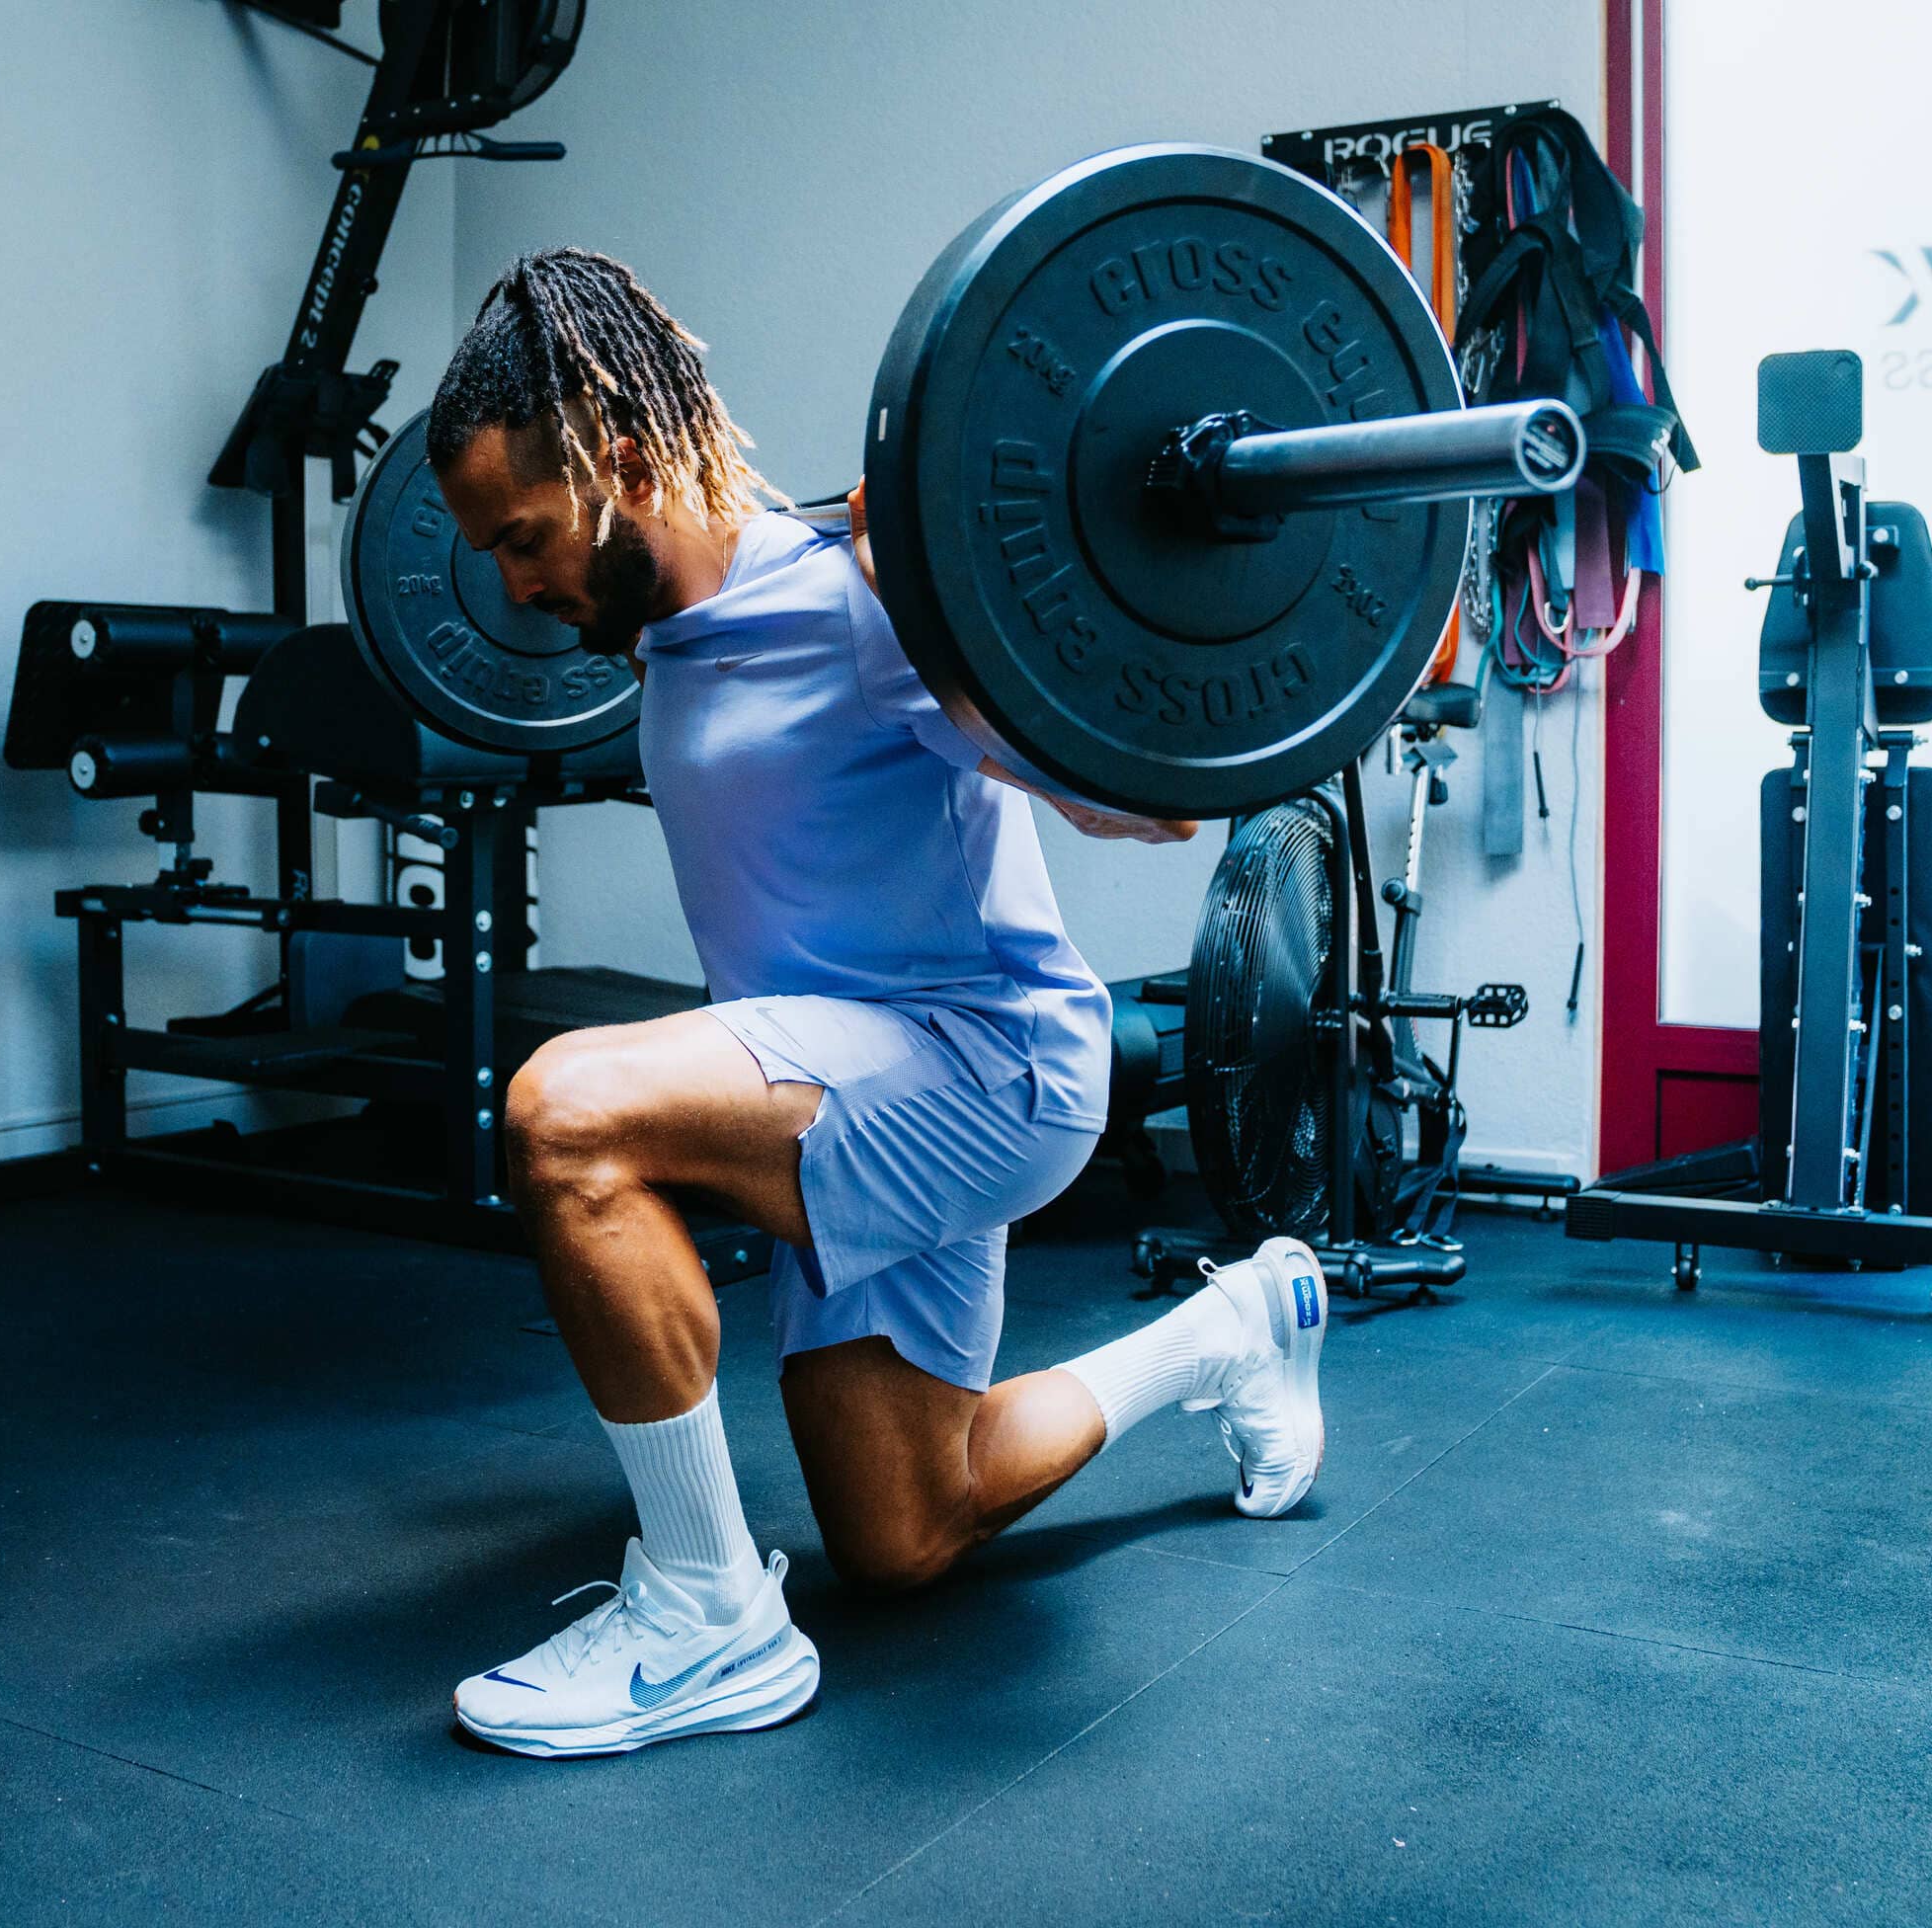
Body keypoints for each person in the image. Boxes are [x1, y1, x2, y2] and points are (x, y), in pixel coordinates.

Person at [426, 248, 1331, 1759]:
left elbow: (1150, 806)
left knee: (567, 1115)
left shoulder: (866, 599)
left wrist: (982, 601)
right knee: (903, 1532)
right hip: (849, 1089)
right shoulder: (661, 627)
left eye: (523, 540)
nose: (513, 588)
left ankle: (705, 1615)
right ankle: (1233, 1326)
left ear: (625, 468)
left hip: (982, 1070)